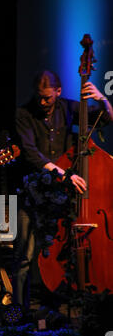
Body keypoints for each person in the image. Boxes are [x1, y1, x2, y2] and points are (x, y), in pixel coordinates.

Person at [12, 70, 113, 310]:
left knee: (61, 250)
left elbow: (106, 118)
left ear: (58, 92)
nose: (43, 102)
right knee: (23, 256)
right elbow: (30, 152)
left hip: (61, 195)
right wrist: (62, 173)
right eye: (39, 97)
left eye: (48, 97)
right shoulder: (23, 114)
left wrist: (102, 99)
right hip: (32, 189)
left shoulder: (68, 108)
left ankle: (61, 307)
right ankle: (18, 315)